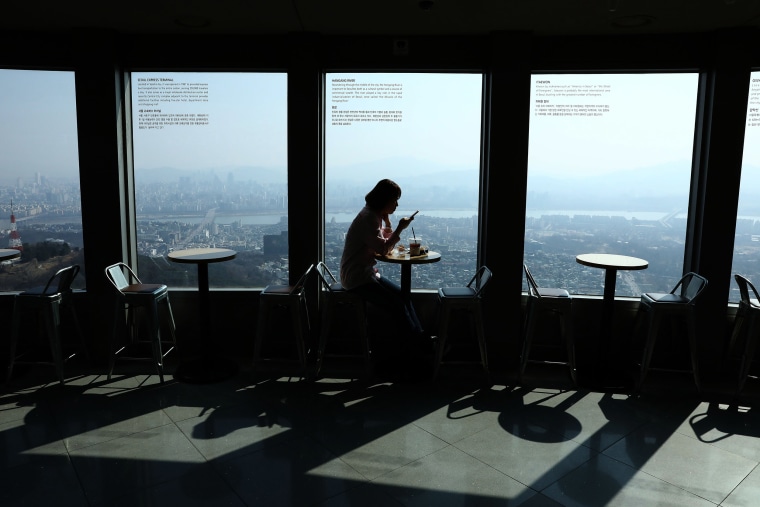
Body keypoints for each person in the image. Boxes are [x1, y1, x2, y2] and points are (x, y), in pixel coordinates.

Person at [340, 179, 428, 346]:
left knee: (404, 298)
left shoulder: (372, 215)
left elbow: (380, 242)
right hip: (357, 278)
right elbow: (383, 249)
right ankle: (420, 347)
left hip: (367, 274)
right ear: (384, 200)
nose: (396, 205)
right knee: (398, 304)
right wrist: (400, 229)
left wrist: (388, 224)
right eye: (395, 200)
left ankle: (420, 341)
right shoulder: (369, 218)